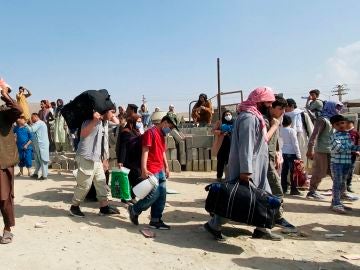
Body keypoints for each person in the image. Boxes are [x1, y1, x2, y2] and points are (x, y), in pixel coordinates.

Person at [204, 87, 283, 241]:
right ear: (259, 101)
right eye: (268, 102)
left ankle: (262, 229)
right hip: (248, 168)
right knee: (237, 199)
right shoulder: (248, 118)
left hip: (257, 166)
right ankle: (214, 225)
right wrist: (246, 171)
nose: (270, 106)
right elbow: (246, 145)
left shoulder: (256, 117)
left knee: (263, 198)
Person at [128, 115, 178, 229]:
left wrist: (167, 166)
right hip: (151, 169)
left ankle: (156, 220)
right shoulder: (150, 132)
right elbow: (145, 151)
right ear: (164, 122)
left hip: (160, 168)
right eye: (170, 127)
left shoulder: (162, 135)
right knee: (154, 195)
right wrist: (144, 169)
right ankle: (135, 209)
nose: (171, 130)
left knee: (162, 196)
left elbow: (162, 152)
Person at [69, 109, 120, 217]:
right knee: (85, 185)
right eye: (112, 111)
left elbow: (117, 124)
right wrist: (94, 121)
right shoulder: (89, 120)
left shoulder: (104, 122)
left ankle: (104, 207)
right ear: (105, 112)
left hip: (96, 158)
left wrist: (110, 116)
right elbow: (83, 134)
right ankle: (74, 207)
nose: (113, 114)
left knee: (101, 183)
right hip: (86, 156)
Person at [264, 96, 297, 231]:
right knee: (277, 190)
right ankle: (278, 217)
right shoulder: (265, 120)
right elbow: (264, 139)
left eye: (284, 109)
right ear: (271, 107)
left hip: (271, 157)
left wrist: (278, 152)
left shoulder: (276, 120)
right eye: (280, 108)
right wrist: (274, 125)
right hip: (264, 160)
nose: (283, 111)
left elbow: (276, 138)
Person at [0, 78, 23, 244]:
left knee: (4, 198)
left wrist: (5, 94)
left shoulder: (5, 113)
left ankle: (7, 229)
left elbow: (18, 109)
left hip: (3, 162)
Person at [306, 100, 343, 200]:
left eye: (340, 108)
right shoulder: (322, 120)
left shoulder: (333, 120)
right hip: (322, 151)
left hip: (332, 151)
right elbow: (314, 135)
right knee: (319, 172)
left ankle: (342, 193)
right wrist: (310, 149)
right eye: (337, 108)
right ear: (331, 107)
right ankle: (312, 192)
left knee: (335, 172)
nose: (339, 110)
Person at [329, 115, 360, 214]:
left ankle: (336, 202)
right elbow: (340, 149)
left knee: (342, 184)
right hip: (337, 164)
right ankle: (336, 204)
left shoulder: (347, 135)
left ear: (345, 123)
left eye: (342, 123)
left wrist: (357, 148)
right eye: (337, 124)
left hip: (347, 163)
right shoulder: (334, 136)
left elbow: (351, 147)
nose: (341, 125)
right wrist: (350, 146)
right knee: (337, 184)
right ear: (333, 126)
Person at [117, 114, 142, 203]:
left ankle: (131, 196)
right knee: (128, 180)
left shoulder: (136, 131)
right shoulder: (126, 132)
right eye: (138, 121)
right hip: (128, 160)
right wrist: (121, 161)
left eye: (140, 121)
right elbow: (123, 147)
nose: (140, 123)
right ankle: (126, 197)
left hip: (136, 159)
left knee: (134, 179)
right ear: (133, 122)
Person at [285, 98, 314, 168]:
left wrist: (312, 147)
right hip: (287, 144)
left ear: (291, 106)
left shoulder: (303, 115)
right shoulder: (283, 116)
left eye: (286, 106)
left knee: (301, 165)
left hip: (301, 143)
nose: (284, 109)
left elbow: (311, 131)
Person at [280, 115, 302, 195]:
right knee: (293, 172)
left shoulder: (280, 130)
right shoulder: (292, 131)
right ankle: (293, 189)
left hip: (283, 152)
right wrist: (299, 155)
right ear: (290, 122)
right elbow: (295, 144)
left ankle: (283, 188)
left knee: (284, 172)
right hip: (292, 153)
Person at [212, 110, 233, 181]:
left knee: (230, 162)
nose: (228, 116)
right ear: (224, 116)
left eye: (229, 114)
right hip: (221, 145)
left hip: (231, 146)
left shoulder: (234, 122)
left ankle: (229, 177)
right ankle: (219, 176)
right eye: (226, 114)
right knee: (220, 161)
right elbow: (213, 130)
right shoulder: (219, 122)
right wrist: (221, 132)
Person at [29, 113, 50, 180]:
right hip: (37, 145)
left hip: (41, 145)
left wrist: (25, 124)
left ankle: (44, 176)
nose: (31, 119)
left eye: (32, 118)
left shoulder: (39, 123)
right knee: (37, 161)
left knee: (43, 160)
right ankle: (36, 173)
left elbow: (31, 130)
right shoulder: (37, 123)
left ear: (36, 116)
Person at [346, 120, 359, 193]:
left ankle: (348, 185)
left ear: (352, 124)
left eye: (348, 123)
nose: (347, 124)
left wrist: (357, 151)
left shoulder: (355, 133)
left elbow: (358, 143)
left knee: (350, 171)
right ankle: (342, 186)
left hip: (352, 156)